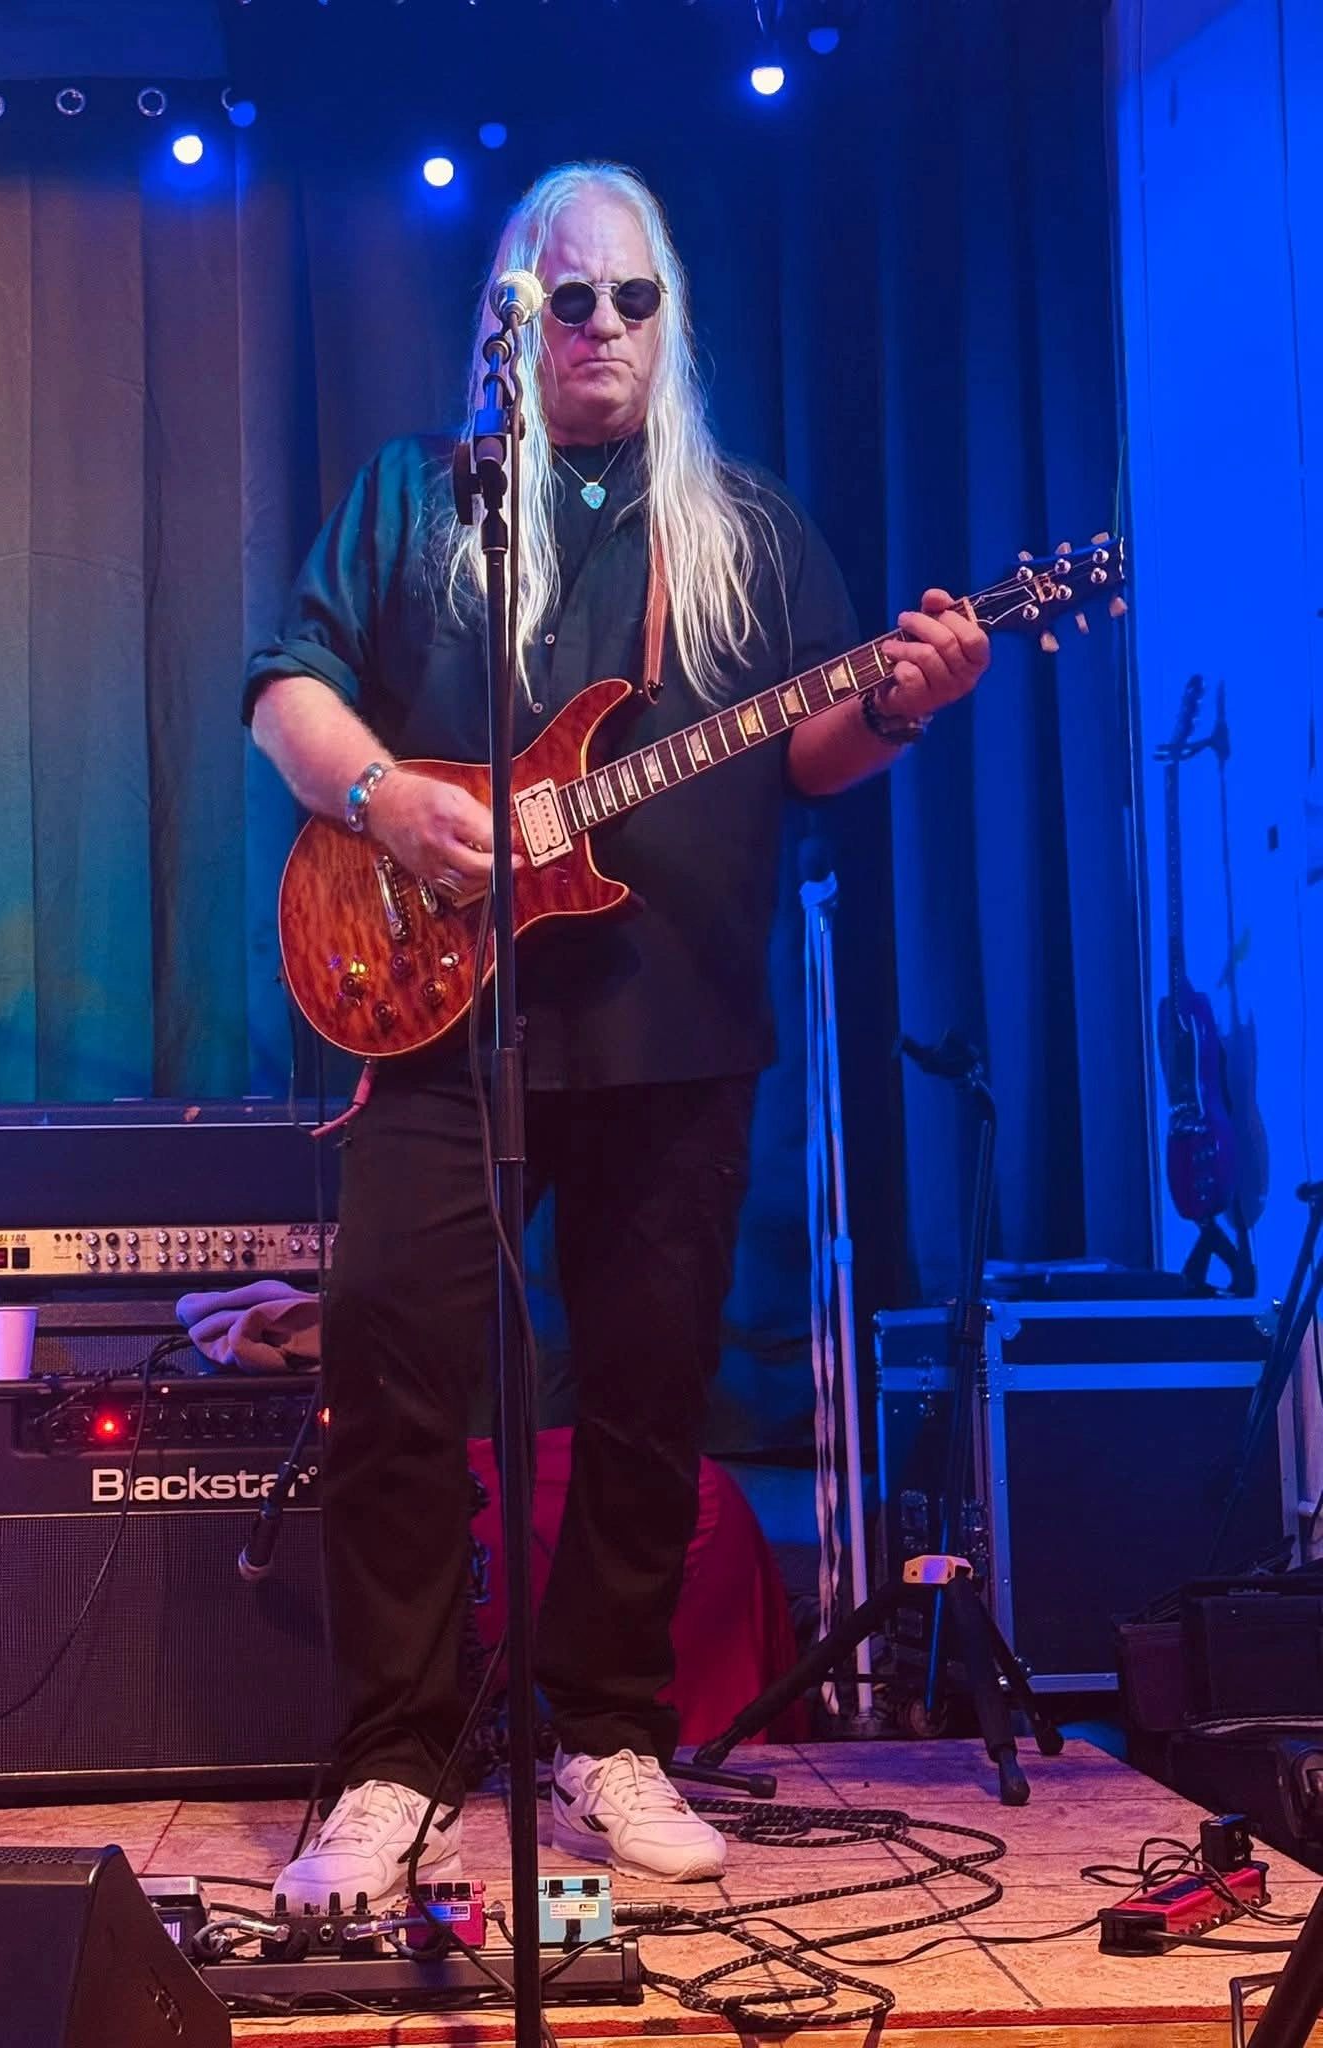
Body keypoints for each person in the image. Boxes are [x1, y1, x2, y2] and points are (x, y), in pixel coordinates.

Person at [245, 161, 989, 1907]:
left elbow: (810, 752)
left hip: (678, 1025)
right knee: (393, 1362)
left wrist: (903, 709)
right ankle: (394, 1760)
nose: (601, 327)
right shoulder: (418, 500)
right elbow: (285, 690)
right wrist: (382, 798)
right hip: (440, 1019)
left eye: (632, 299)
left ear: (672, 320)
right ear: (511, 318)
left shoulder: (746, 529)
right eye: (567, 298)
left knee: (651, 1392)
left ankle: (609, 1735)